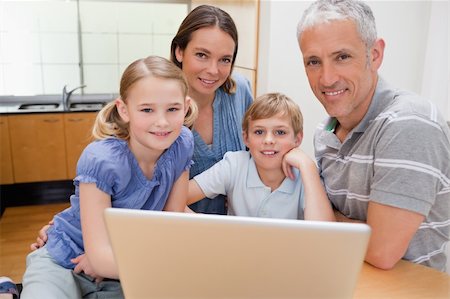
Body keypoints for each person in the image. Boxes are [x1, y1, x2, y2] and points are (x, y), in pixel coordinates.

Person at [21, 55, 196, 298]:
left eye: (173, 109)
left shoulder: (183, 144)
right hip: (62, 258)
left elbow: (171, 224)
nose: (162, 122)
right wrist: (104, 260)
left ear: (186, 106)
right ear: (124, 110)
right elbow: (101, 256)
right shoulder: (101, 159)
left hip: (121, 263)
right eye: (147, 109)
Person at [297, 0, 450, 271]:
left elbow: (381, 251)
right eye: (313, 62)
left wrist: (328, 220)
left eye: (342, 57)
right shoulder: (325, 133)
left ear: (375, 54)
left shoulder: (410, 122)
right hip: (348, 278)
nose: (327, 78)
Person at [188, 92, 335, 222]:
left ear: (297, 139)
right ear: (246, 138)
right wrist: (212, 232)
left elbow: (326, 233)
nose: (268, 140)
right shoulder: (234, 165)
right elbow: (177, 199)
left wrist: (307, 165)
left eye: (280, 132)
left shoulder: (306, 175)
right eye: (259, 132)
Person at [171, 4, 253, 214]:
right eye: (202, 55)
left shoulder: (240, 91)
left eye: (225, 59)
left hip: (236, 229)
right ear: (180, 51)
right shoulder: (159, 104)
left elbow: (255, 156)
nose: (213, 70)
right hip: (179, 230)